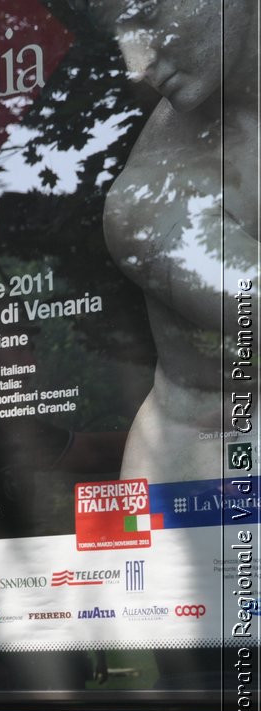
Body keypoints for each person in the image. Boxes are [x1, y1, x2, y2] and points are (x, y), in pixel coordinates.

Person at [98, 0, 258, 483]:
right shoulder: (148, 198)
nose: (135, 63)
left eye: (145, 16)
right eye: (118, 34)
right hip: (213, 492)